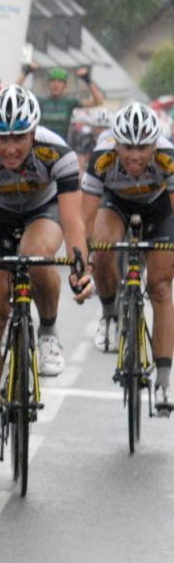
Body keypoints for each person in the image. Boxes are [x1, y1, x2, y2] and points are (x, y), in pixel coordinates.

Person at [0, 86, 94, 457]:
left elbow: (73, 220)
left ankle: (48, 330)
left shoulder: (58, 153)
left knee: (36, 255)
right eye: (2, 137)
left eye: (19, 137)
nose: (11, 147)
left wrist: (82, 267)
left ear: (34, 132)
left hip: (42, 211)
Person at [82, 105, 174, 409]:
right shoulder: (102, 157)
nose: (135, 155)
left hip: (157, 207)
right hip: (115, 203)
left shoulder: (168, 157)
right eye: (127, 147)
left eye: (143, 147)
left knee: (161, 288)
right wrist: (84, 257)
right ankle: (109, 313)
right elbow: (86, 217)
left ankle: (163, 380)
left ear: (155, 143)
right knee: (103, 245)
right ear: (115, 143)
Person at [18, 64, 103, 140]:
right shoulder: (40, 101)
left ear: (65, 85)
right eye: (53, 81)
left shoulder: (69, 102)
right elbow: (17, 93)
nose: (56, 85)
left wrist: (87, 79)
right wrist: (26, 71)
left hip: (61, 146)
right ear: (48, 84)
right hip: (41, 143)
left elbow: (98, 101)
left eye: (59, 82)